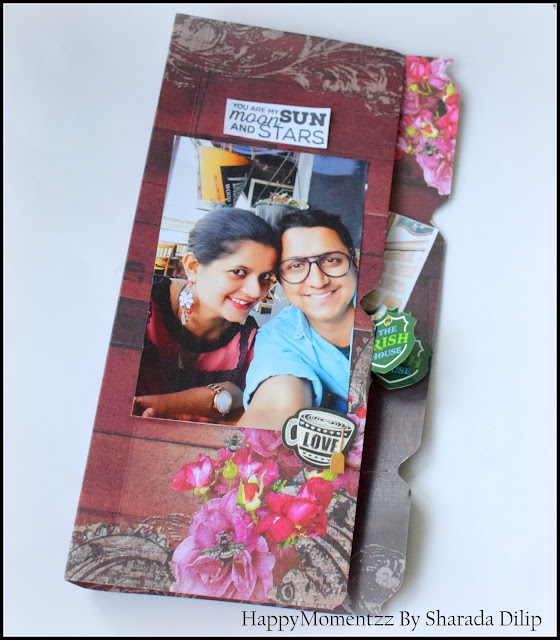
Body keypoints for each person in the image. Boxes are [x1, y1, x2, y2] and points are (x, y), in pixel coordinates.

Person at [133, 207, 280, 422]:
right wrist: (219, 396)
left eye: (266, 277)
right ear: (193, 266)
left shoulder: (247, 342)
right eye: (238, 272)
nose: (255, 291)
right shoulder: (141, 306)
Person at [238, 210, 359, 430]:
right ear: (281, 282)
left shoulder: (395, 308)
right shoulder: (276, 337)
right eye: (296, 266)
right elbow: (278, 396)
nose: (318, 281)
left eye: (331, 260)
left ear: (355, 262)